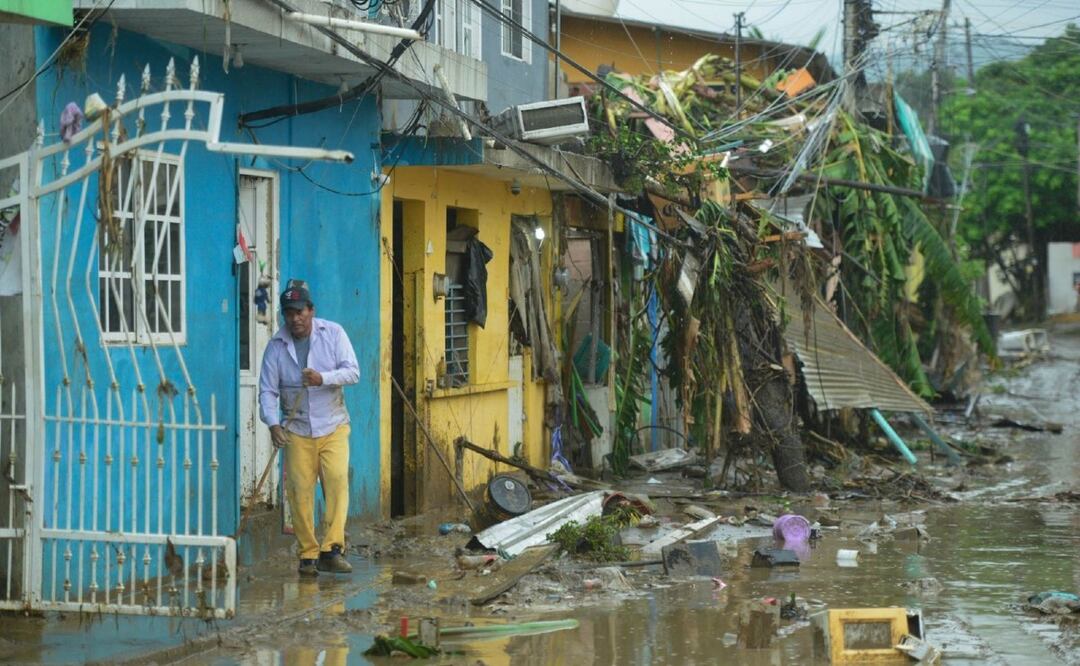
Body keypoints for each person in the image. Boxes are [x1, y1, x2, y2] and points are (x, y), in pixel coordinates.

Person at [259, 280, 359, 576]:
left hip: (333, 424)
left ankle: (332, 550)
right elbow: (267, 390)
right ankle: (307, 555)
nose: (295, 318)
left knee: (337, 482)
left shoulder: (334, 334)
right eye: (289, 313)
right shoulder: (276, 347)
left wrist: (323, 378)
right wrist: (273, 423)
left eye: (300, 311)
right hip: (298, 429)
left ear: (311, 310)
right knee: (299, 491)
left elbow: (353, 371)